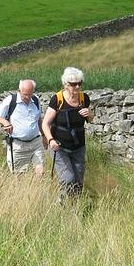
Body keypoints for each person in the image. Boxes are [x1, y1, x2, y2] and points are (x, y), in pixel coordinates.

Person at [42, 67, 93, 198]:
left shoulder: (84, 98)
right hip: (60, 147)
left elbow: (90, 120)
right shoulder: (57, 99)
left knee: (78, 181)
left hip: (79, 147)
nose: (77, 86)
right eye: (73, 84)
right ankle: (63, 204)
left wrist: (90, 114)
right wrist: (50, 140)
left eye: (79, 83)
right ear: (65, 84)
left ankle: (75, 206)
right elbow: (45, 123)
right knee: (68, 178)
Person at [0, 79, 45, 175]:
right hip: (18, 146)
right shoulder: (11, 101)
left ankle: (36, 190)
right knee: (19, 177)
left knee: (40, 173)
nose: (28, 97)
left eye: (30, 94)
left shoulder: (35, 100)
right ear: (19, 91)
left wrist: (44, 136)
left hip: (36, 143)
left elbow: (39, 119)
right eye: (25, 94)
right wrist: (5, 122)